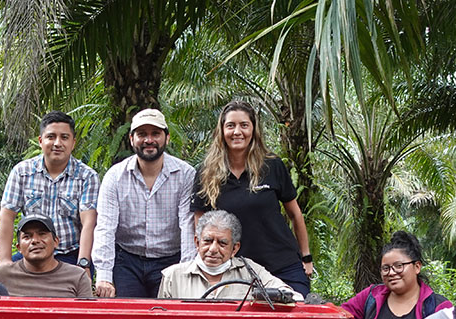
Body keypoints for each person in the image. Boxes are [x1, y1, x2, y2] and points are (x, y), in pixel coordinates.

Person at [190, 100, 312, 296]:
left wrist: (306, 257)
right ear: (222, 131)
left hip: (283, 265)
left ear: (253, 130)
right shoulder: (206, 172)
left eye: (244, 125)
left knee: (297, 317)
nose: (237, 131)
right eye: (230, 125)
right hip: (235, 271)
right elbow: (200, 222)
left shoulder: (272, 165)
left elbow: (295, 214)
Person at [92, 108, 196, 298]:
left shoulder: (186, 175)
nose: (149, 140)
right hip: (127, 261)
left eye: (155, 133)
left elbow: (188, 226)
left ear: (167, 137)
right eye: (142, 134)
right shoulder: (115, 176)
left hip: (171, 260)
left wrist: (186, 271)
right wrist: (104, 276)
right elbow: (105, 227)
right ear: (132, 139)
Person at [0, 111, 99, 272]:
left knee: (77, 293)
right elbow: (6, 217)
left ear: (73, 143)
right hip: (30, 254)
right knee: (1, 284)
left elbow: (89, 223)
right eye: (51, 137)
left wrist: (83, 264)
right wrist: (5, 261)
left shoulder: (87, 176)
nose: (57, 143)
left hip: (70, 255)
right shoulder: (22, 172)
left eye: (64, 137)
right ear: (40, 141)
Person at [158, 210, 301, 301]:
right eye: (207, 241)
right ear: (197, 242)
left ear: (235, 248)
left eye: (222, 243)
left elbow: (291, 296)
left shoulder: (251, 272)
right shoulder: (173, 276)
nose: (213, 249)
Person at [0, 214, 94, 298]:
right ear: (19, 247)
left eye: (42, 234)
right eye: (27, 236)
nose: (35, 241)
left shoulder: (77, 276)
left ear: (56, 241)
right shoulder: (0, 275)